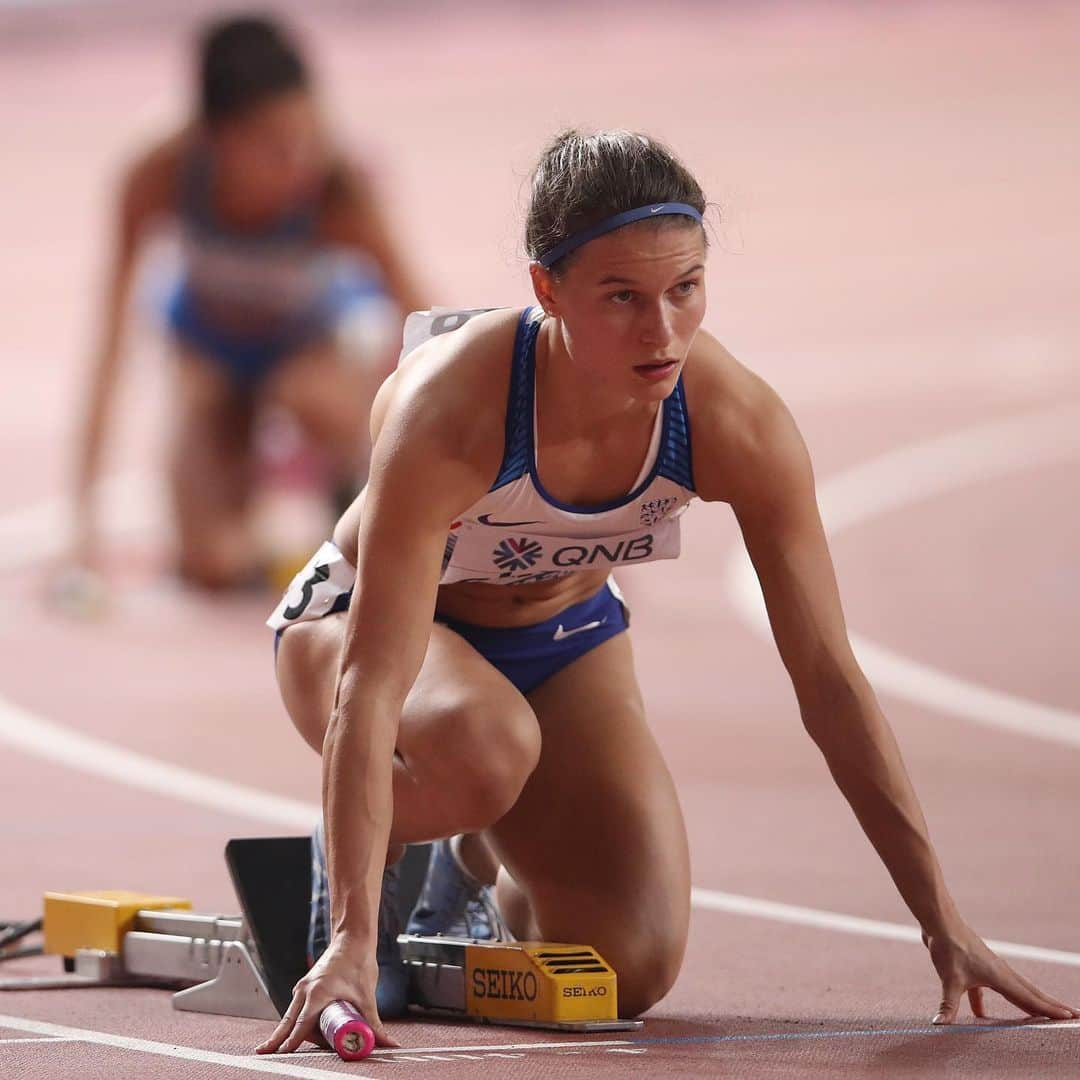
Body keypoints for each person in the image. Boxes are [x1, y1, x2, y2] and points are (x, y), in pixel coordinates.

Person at [258, 130, 1079, 1054]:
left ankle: (469, 865)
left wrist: (942, 920)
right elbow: (372, 685)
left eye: (685, 288)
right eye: (622, 298)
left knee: (630, 965)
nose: (663, 332)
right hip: (364, 632)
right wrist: (351, 944)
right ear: (548, 291)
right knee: (488, 746)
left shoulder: (735, 420)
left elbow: (828, 679)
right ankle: (369, 859)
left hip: (563, 638)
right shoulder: (453, 410)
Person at [72, 14, 425, 589]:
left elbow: (430, 330)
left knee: (311, 395)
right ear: (213, 140)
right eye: (276, 148)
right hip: (210, 357)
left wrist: (490, 489)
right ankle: (259, 475)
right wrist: (83, 521)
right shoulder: (156, 174)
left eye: (308, 136)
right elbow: (110, 345)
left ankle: (334, 470)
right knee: (211, 562)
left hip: (313, 349)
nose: (300, 162)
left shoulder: (340, 183)